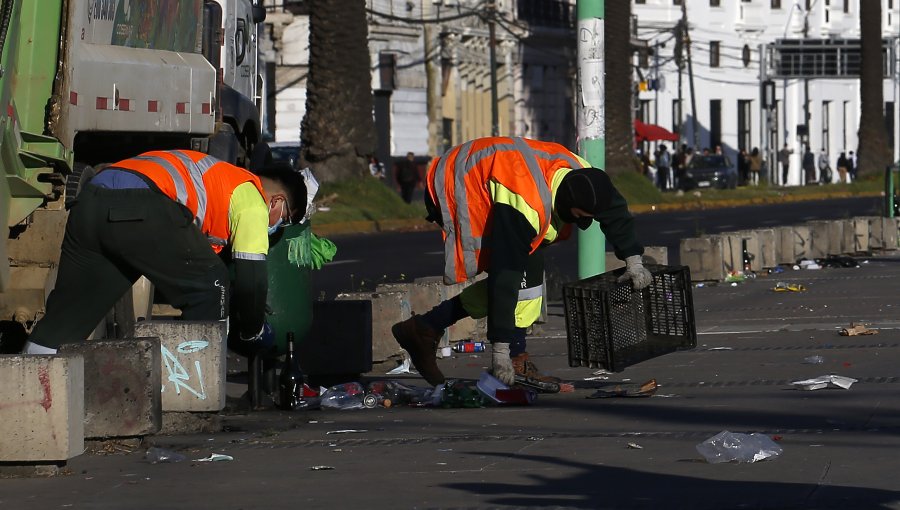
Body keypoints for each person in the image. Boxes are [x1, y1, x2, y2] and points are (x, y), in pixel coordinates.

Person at [390, 136, 651, 387]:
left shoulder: (584, 175)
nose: (585, 223)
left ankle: (425, 327)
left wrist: (634, 260)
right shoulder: (524, 205)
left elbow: (615, 211)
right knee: (521, 277)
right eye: (581, 216)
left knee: (528, 281)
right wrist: (500, 351)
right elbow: (507, 273)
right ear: (568, 204)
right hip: (457, 182)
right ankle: (513, 358)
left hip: (494, 171)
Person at [22, 150, 305, 354]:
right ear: (277, 201)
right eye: (285, 219)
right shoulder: (253, 198)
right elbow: (252, 277)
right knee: (211, 284)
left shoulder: (220, 177)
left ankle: (31, 394)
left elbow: (179, 263)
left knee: (69, 315)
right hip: (142, 205)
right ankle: (193, 396)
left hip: (91, 203)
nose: (278, 226)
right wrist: (253, 330)